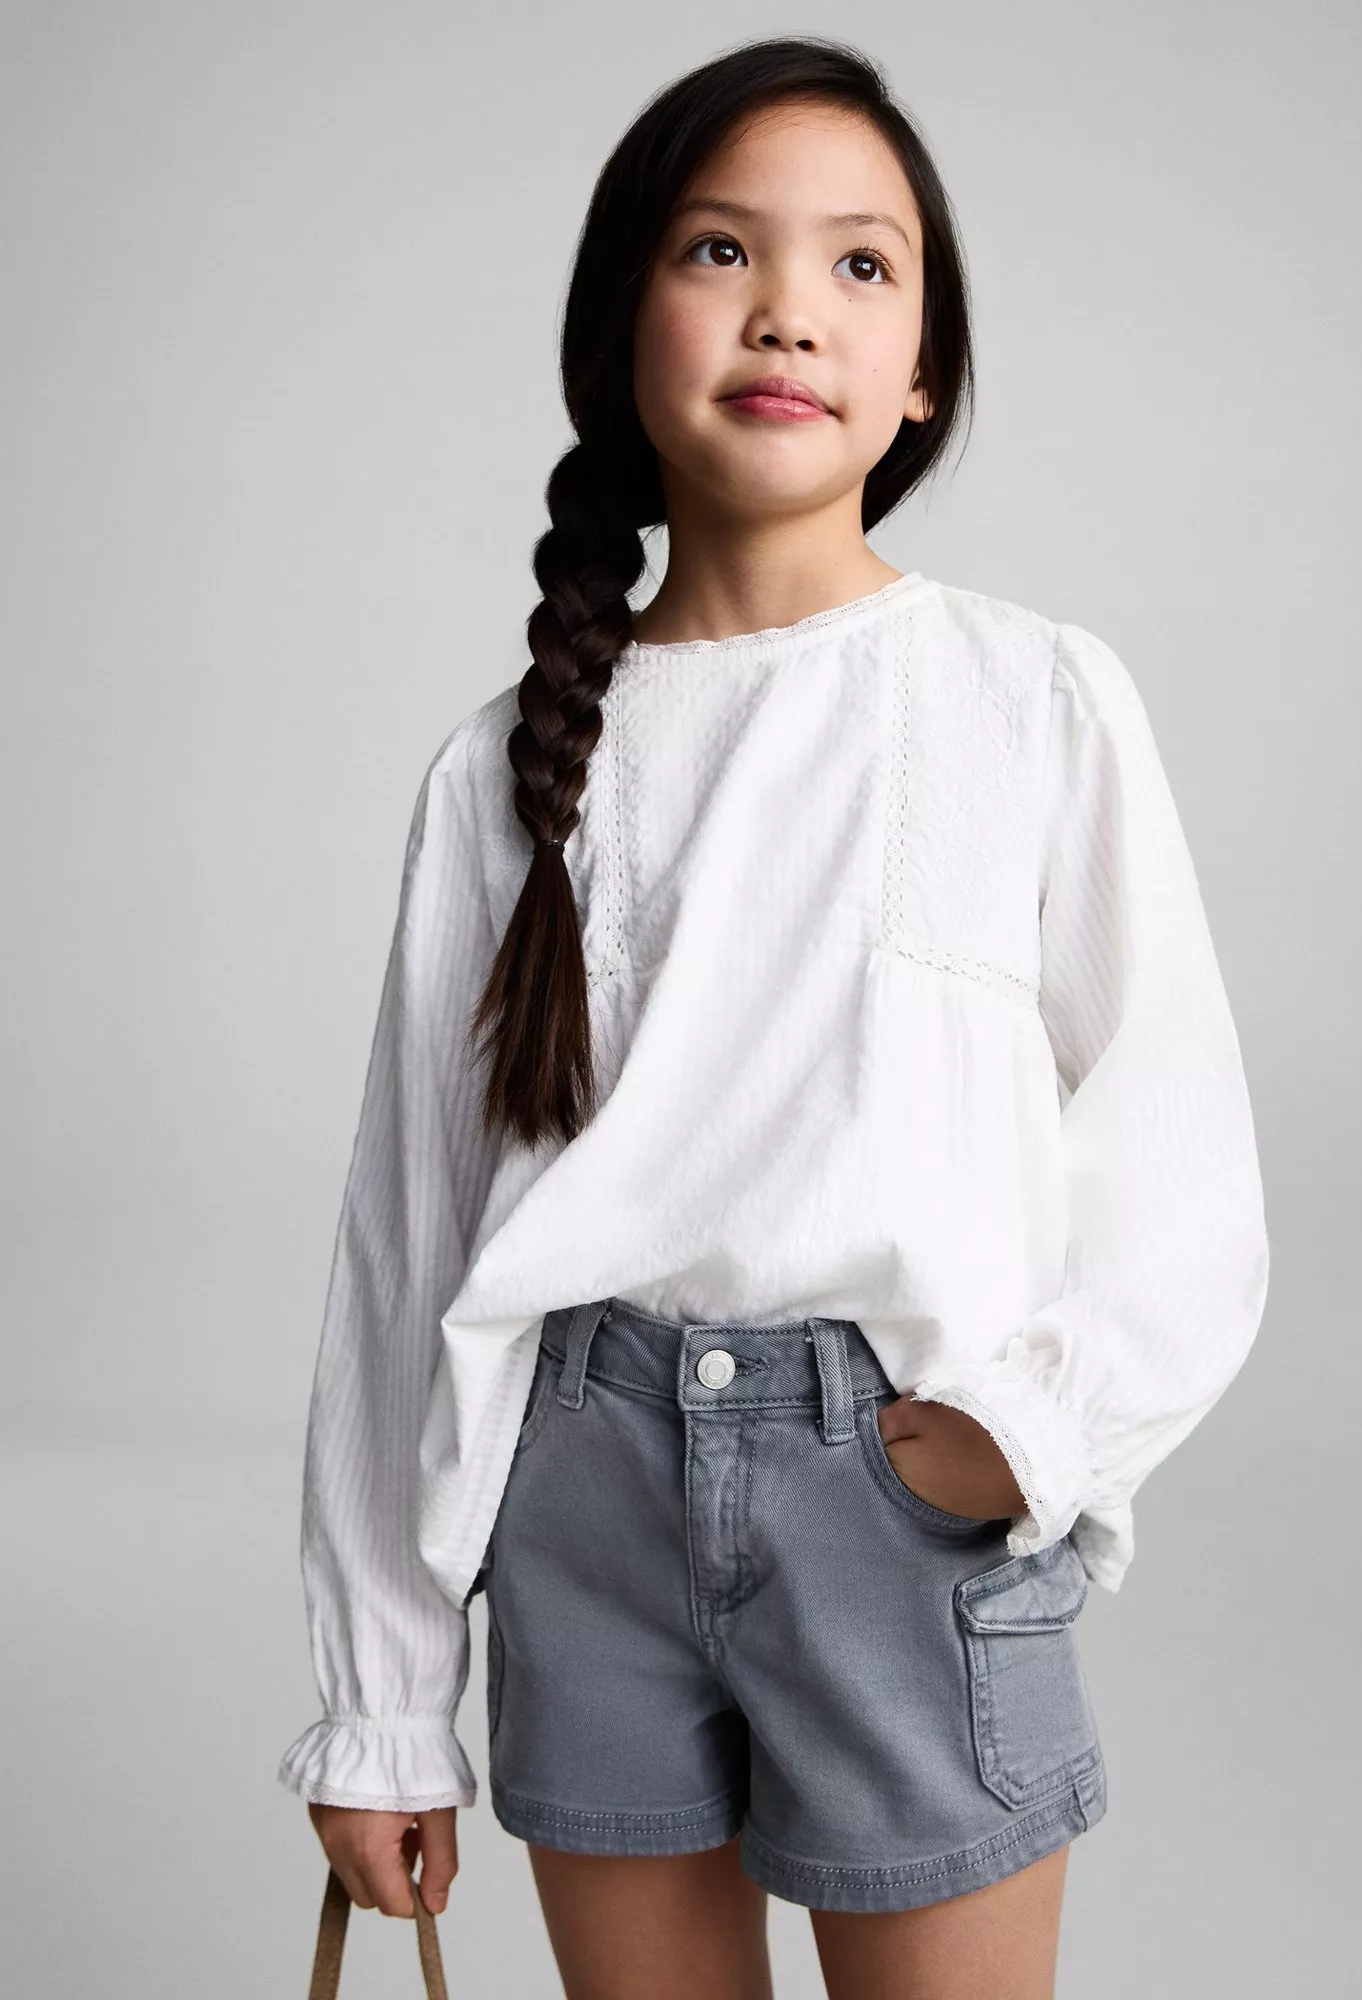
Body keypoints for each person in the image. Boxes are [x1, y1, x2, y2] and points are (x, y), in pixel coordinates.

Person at [276, 34, 1270, 2000]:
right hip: (581, 1509)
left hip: (894, 1498)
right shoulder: (501, 776)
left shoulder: (1026, 699)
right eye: (720, 249)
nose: (791, 309)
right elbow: (410, 1246)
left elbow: (1182, 1152)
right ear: (620, 326)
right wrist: (381, 1703)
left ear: (923, 376)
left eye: (862, 266)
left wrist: (1019, 1436)